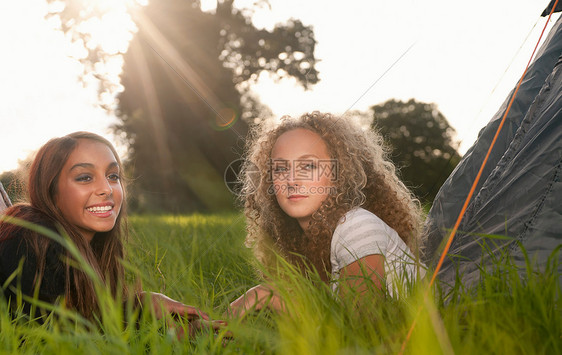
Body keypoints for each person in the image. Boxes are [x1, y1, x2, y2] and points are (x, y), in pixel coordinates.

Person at [0, 131, 209, 326]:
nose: (106, 189)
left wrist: (140, 305)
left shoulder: (84, 247)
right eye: (85, 177)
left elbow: (84, 324)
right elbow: (52, 343)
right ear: (51, 190)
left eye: (113, 176)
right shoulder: (33, 239)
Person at [228, 112, 426, 316]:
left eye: (309, 166)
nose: (292, 180)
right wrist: (206, 323)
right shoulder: (300, 244)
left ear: (338, 175)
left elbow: (361, 326)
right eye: (280, 169)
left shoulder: (357, 225)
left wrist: (263, 296)